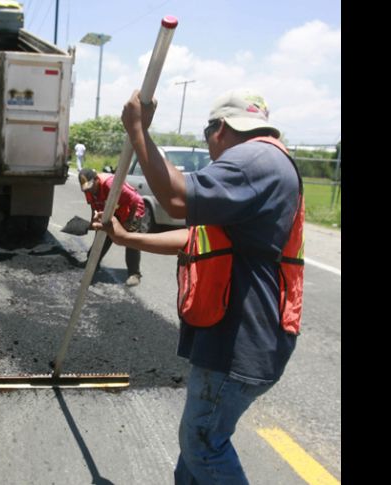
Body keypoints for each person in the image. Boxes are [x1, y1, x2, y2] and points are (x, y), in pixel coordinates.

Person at [94, 88, 304, 484]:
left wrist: (137, 129)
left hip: (240, 342)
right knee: (194, 453)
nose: (209, 150)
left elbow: (174, 198)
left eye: (208, 137)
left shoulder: (251, 161)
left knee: (203, 444)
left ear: (220, 128)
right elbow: (199, 240)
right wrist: (126, 239)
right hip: (241, 339)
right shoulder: (263, 168)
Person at [79, 167, 144, 286]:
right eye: (87, 189)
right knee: (102, 234)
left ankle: (134, 274)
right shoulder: (88, 189)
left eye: (91, 186)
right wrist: (93, 222)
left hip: (132, 210)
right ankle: (92, 263)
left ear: (96, 179)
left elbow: (135, 199)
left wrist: (130, 220)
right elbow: (94, 207)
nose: (90, 190)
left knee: (131, 240)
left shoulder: (110, 184)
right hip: (113, 211)